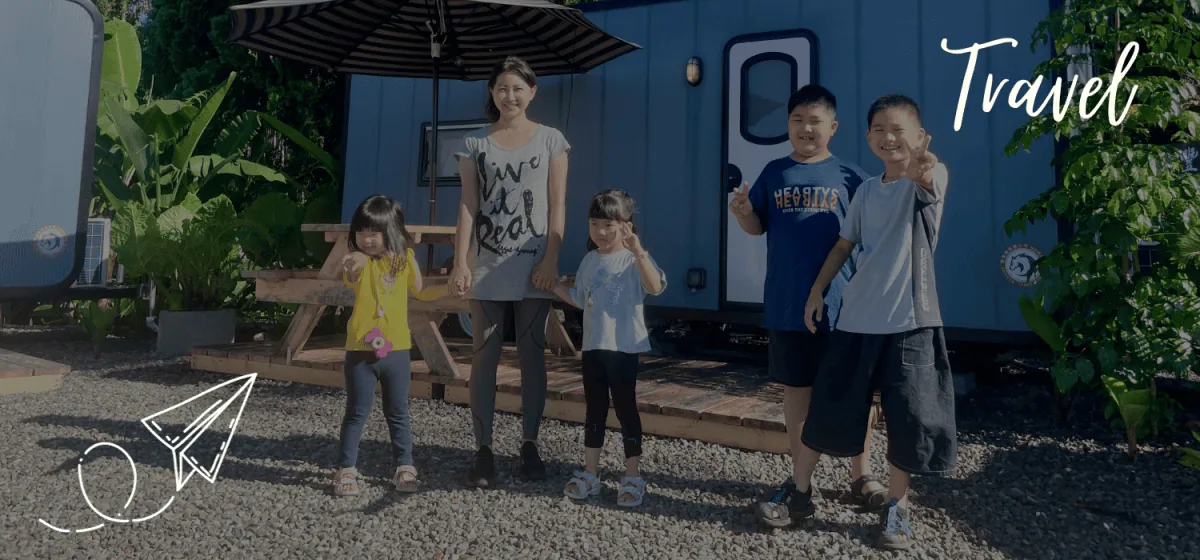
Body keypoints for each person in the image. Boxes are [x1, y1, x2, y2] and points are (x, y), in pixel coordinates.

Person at [795, 94, 957, 551]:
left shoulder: (930, 175)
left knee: (907, 419)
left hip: (911, 321)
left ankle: (897, 508)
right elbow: (844, 246)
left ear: (919, 136)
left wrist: (922, 167)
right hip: (856, 318)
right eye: (879, 130)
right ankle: (799, 492)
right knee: (830, 407)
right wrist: (817, 290)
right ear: (868, 137)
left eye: (898, 130)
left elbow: (927, 179)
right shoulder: (866, 190)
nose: (889, 138)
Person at [727, 84, 884, 528]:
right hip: (786, 302)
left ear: (833, 127)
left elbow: (869, 238)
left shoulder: (852, 177)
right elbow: (757, 226)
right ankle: (802, 482)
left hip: (843, 305)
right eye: (797, 120)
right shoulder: (774, 172)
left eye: (815, 121)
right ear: (788, 125)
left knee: (853, 392)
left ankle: (861, 475)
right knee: (797, 393)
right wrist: (742, 212)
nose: (806, 128)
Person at [450, 56, 571, 488]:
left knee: (532, 354)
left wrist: (551, 259)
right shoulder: (474, 143)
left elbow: (558, 204)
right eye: (502, 88)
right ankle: (483, 449)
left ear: (532, 92)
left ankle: (530, 444)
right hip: (487, 264)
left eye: (518, 88)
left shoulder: (552, 140)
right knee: (484, 355)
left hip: (534, 264)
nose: (510, 96)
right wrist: (460, 261)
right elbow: (468, 204)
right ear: (492, 92)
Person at [551, 190, 666, 508]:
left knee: (626, 408)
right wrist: (554, 286)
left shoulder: (633, 259)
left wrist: (638, 251)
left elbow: (655, 286)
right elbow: (579, 299)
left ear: (626, 225)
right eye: (594, 224)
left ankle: (633, 475)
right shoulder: (589, 260)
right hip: (593, 347)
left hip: (624, 348)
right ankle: (591, 473)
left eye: (608, 225)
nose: (600, 232)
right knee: (594, 408)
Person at [333, 195, 445, 497]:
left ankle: (405, 466)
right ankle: (346, 469)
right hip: (360, 351)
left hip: (397, 351)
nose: (366, 239)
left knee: (398, 411)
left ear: (391, 231)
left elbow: (421, 292)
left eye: (374, 232)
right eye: (361, 232)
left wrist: (450, 287)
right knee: (356, 412)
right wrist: (355, 262)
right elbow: (352, 273)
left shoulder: (405, 260)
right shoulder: (357, 260)